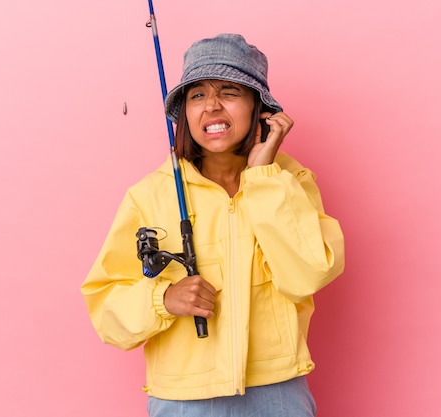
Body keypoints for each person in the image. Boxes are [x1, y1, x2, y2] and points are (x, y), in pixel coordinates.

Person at [81, 33, 345, 416]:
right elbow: (104, 305)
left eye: (230, 91)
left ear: (260, 108)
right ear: (184, 112)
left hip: (278, 393)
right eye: (198, 95)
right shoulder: (149, 195)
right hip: (183, 401)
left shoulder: (291, 181)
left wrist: (263, 177)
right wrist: (164, 300)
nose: (212, 106)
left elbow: (308, 274)